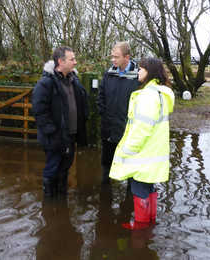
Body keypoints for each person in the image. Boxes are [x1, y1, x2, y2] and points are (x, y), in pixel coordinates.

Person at [109, 57, 175, 229]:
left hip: (142, 152)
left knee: (139, 189)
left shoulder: (148, 95)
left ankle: (140, 227)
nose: (138, 72)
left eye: (141, 69)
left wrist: (128, 149)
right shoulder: (162, 93)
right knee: (149, 187)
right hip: (153, 152)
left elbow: (142, 127)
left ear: (149, 72)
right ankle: (149, 222)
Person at [32, 46, 89, 196]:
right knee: (52, 167)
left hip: (70, 134)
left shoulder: (74, 80)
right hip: (55, 136)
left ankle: (61, 196)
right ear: (60, 62)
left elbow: (83, 102)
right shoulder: (45, 83)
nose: (75, 62)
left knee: (65, 166)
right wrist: (53, 133)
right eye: (72, 59)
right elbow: (40, 112)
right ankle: (50, 201)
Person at [97, 42, 140, 182]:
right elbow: (101, 94)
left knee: (130, 160)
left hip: (128, 126)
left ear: (127, 57)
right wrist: (103, 111)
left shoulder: (138, 76)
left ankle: (130, 192)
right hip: (108, 124)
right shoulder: (109, 73)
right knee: (106, 158)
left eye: (116, 57)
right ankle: (105, 187)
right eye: (112, 57)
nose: (113, 60)